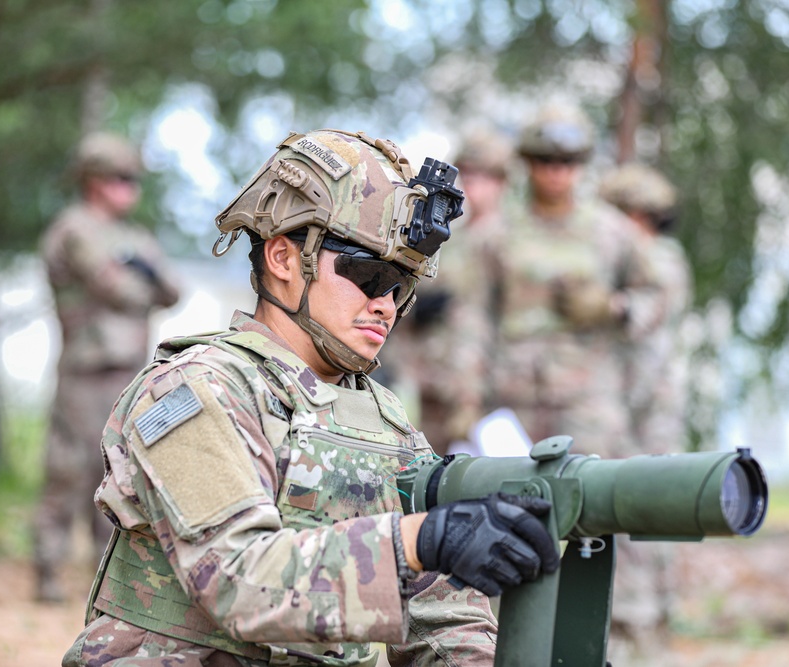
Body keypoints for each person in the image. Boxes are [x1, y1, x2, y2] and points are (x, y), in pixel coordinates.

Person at [62, 129, 560, 666]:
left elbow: (441, 616)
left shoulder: (382, 417)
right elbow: (239, 580)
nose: (386, 305)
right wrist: (416, 541)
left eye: (402, 287)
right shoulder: (198, 388)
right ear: (281, 257)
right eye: (369, 274)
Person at [34, 132, 182, 603]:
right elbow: (121, 291)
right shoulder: (74, 228)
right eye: (123, 178)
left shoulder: (135, 236)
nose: (131, 187)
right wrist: (143, 277)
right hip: (84, 368)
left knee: (118, 472)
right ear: (95, 180)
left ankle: (106, 573)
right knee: (68, 469)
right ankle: (47, 568)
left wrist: (145, 272)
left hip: (127, 371)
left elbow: (172, 291)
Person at [490, 105, 666, 457]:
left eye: (568, 162)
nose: (556, 172)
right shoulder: (497, 233)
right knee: (510, 504)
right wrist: (469, 401)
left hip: (589, 400)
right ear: (528, 163)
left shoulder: (613, 231)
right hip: (513, 399)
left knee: (589, 499)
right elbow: (474, 316)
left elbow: (658, 297)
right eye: (545, 161)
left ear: (582, 164)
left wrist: (613, 306)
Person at [376, 126, 513, 454]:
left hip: (498, 385)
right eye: (471, 173)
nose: (477, 183)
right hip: (439, 381)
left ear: (502, 182)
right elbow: (409, 297)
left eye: (486, 175)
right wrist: (418, 309)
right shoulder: (450, 240)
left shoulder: (512, 241)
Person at [599, 162, 693, 454]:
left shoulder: (662, 257)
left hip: (650, 396)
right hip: (622, 393)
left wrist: (606, 305)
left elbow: (645, 309)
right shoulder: (630, 257)